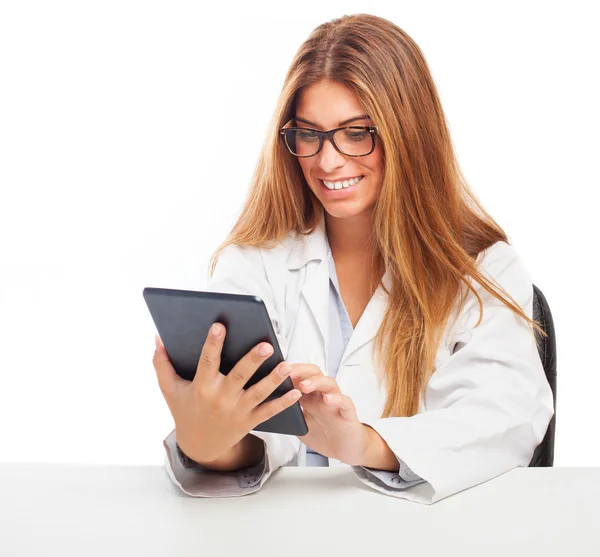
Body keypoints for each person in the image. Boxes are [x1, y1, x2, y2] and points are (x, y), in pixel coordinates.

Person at [152, 13, 554, 505]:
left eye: (356, 132)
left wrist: (361, 443)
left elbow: (505, 417)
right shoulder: (253, 263)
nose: (327, 161)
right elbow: (253, 445)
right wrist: (207, 441)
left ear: (408, 133)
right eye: (309, 134)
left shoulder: (484, 269)